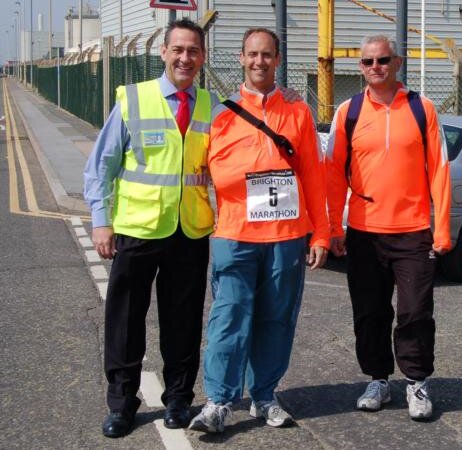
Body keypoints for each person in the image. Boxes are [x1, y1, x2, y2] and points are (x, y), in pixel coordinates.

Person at [188, 27, 330, 433]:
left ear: (278, 59)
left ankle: (264, 395)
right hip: (235, 236)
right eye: (252, 54)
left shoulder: (297, 111)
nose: (259, 62)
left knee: (277, 319)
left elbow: (313, 177)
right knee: (229, 318)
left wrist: (320, 233)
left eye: (267, 55)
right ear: (241, 57)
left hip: (286, 237)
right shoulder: (220, 113)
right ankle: (218, 400)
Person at [84, 19, 216, 438]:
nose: (185, 58)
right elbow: (101, 165)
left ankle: (178, 399)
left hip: (189, 230)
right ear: (163, 52)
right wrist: (101, 221)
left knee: (183, 320)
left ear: (203, 57)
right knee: (125, 320)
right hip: (137, 229)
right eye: (177, 49)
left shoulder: (213, 105)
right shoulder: (134, 99)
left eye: (193, 50)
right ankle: (122, 403)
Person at [326, 34, 451, 421]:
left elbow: (440, 171)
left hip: (413, 231)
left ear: (397, 62)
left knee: (415, 311)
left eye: (383, 60)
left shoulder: (422, 108)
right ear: (360, 67)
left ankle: (416, 381)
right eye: (367, 62)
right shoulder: (348, 111)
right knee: (369, 312)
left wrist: (442, 228)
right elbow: (332, 174)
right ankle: (378, 379)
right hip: (364, 232)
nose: (375, 67)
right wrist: (333, 227)